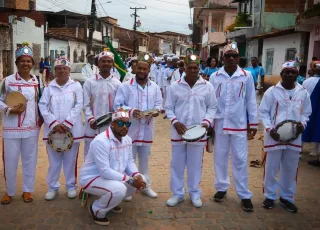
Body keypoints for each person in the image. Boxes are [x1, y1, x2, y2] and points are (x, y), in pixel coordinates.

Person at [209, 41, 258, 212]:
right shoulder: (214, 77)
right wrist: (209, 123)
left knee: (240, 160)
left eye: (234, 56)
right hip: (220, 124)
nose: (231, 58)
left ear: (238, 58)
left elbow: (251, 101)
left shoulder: (247, 76)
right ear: (223, 58)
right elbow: (210, 102)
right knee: (220, 158)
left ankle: (244, 194)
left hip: (239, 125)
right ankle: (221, 187)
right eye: (228, 55)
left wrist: (253, 123)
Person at [165, 54, 217, 208]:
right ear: (184, 69)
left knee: (195, 165)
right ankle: (177, 194)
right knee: (177, 164)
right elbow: (168, 107)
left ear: (199, 69)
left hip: (198, 133)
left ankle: (194, 193)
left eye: (196, 67)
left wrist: (207, 122)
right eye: (190, 67)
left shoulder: (207, 86)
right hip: (178, 132)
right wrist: (175, 122)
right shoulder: (174, 86)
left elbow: (212, 107)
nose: (193, 70)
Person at [79, 108, 147, 226]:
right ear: (112, 124)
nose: (124, 126)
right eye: (120, 123)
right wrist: (130, 180)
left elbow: (130, 161)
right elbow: (105, 171)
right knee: (119, 189)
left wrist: (136, 176)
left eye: (127, 123)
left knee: (143, 179)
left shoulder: (127, 139)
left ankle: (111, 202)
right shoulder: (101, 141)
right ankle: (96, 210)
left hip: (111, 177)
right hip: (92, 178)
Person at [259, 61, 311, 213]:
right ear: (281, 75)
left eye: (293, 72)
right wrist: (269, 129)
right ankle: (269, 196)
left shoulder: (303, 92)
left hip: (294, 137)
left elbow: (306, 113)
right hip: (274, 137)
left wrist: (303, 124)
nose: (289, 74)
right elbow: (263, 112)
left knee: (290, 168)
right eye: (286, 72)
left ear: (297, 74)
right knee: (271, 168)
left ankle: (287, 198)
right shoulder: (272, 92)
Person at [113, 54, 162, 200]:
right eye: (139, 68)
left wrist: (156, 111)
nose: (141, 71)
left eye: (144, 69)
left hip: (147, 130)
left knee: (145, 160)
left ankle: (145, 186)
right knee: (128, 160)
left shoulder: (155, 87)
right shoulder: (125, 85)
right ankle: (128, 189)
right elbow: (118, 105)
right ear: (135, 69)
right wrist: (132, 111)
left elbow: (159, 104)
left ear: (149, 70)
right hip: (130, 130)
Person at [0, 43, 44, 205]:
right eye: (22, 61)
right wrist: (9, 110)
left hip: (31, 128)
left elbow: (42, 102)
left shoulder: (37, 83)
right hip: (11, 129)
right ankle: (9, 191)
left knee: (29, 160)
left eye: (29, 61)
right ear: (17, 63)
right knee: (10, 161)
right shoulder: (7, 81)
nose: (26, 64)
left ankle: (27, 190)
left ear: (33, 63)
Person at [39, 57, 84, 201]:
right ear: (54, 70)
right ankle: (53, 187)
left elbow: (79, 105)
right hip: (53, 132)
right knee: (54, 162)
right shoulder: (48, 87)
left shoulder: (76, 86)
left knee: (70, 161)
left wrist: (67, 123)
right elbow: (43, 106)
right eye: (59, 68)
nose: (62, 71)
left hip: (71, 131)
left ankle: (71, 186)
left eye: (65, 68)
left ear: (69, 70)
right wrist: (53, 124)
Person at [83, 51, 121, 159]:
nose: (106, 64)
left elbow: (118, 106)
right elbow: (85, 104)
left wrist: (114, 119)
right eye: (103, 61)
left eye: (109, 61)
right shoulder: (89, 82)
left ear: (113, 64)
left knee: (109, 156)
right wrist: (91, 120)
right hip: (92, 126)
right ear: (98, 64)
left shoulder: (117, 83)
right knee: (90, 156)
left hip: (110, 127)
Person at [303, 63, 320, 164]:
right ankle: (315, 150)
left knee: (303, 126)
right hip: (316, 108)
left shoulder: (306, 81)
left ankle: (299, 148)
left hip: (307, 107)